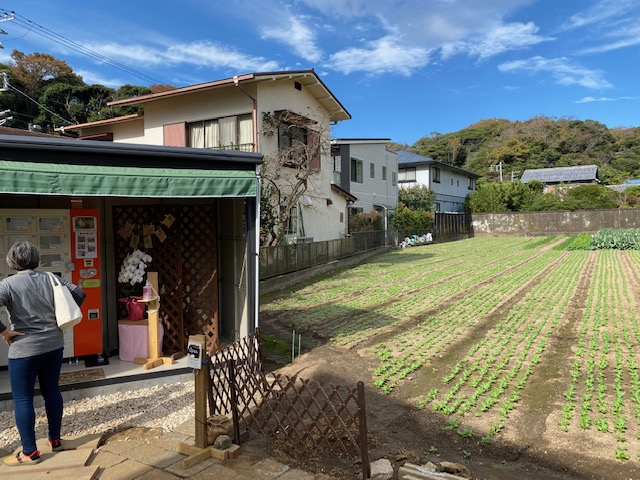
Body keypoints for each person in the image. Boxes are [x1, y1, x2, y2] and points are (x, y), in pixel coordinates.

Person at [0, 241, 86, 466]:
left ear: (12, 260)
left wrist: (5, 332)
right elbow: (79, 293)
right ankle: (55, 440)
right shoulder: (52, 277)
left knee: (22, 399)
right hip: (54, 344)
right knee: (52, 391)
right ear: (36, 258)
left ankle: (30, 452)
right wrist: (58, 317)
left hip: (24, 349)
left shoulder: (7, 285)